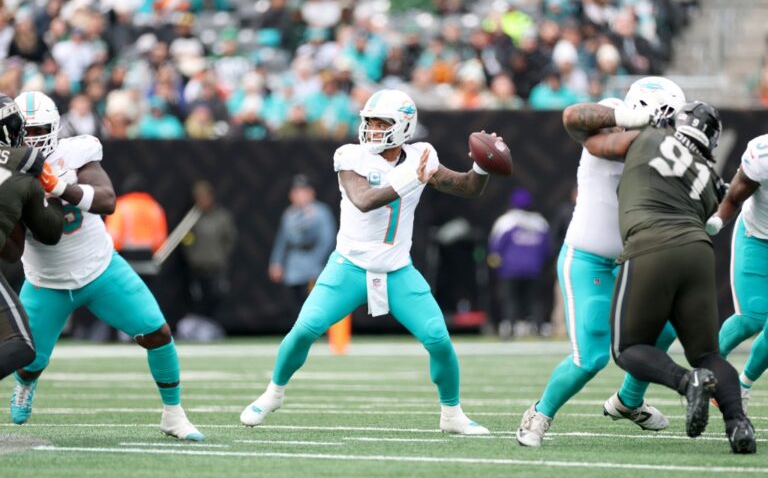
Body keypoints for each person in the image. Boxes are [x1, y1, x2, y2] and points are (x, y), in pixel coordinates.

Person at [240, 89, 501, 435]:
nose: (373, 129)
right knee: (304, 329)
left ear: (404, 126)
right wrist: (411, 178)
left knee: (438, 338)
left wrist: (482, 165)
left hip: (397, 270)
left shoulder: (421, 154)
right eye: (370, 122)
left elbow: (468, 187)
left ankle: (451, 413)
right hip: (349, 266)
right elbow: (363, 200)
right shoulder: (350, 155)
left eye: (382, 123)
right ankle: (273, 393)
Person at [8, 91, 204, 442]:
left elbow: (107, 200)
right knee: (29, 359)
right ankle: (25, 384)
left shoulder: (75, 152)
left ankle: (173, 414)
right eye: (27, 131)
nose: (33, 139)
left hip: (100, 268)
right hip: (44, 281)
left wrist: (60, 186)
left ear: (54, 128)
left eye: (39, 130)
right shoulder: (8, 170)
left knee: (158, 333)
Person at [517, 77, 685, 447]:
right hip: (588, 258)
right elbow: (573, 117)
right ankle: (540, 413)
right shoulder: (611, 119)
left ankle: (629, 401)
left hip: (631, 259)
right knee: (590, 358)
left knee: (665, 328)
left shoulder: (672, 145)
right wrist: (638, 123)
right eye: (663, 117)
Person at [579, 100, 755, 453]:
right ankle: (739, 424)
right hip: (698, 252)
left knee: (627, 348)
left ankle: (687, 382)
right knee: (708, 354)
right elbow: (710, 212)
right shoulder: (710, 177)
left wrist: (628, 119)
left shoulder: (647, 136)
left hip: (650, 244)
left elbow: (582, 132)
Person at [0, 94, 64, 380]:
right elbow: (51, 232)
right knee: (21, 346)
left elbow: (12, 252)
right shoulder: (24, 164)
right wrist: (57, 193)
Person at [706, 132, 768, 414]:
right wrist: (716, 222)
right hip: (757, 236)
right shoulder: (762, 155)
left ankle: (742, 385)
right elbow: (733, 196)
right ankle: (705, 369)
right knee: (751, 317)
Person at [487, 187, 551, 338]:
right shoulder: (540, 222)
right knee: (535, 300)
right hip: (534, 269)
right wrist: (541, 265)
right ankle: (539, 328)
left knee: (510, 299)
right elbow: (547, 250)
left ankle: (510, 329)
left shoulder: (505, 221)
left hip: (509, 270)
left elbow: (495, 248)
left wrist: (496, 269)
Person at [269, 174, 336, 310]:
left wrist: (317, 261)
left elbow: (327, 240)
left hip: (314, 266)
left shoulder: (321, 212)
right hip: (293, 266)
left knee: (314, 304)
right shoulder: (289, 214)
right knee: (295, 305)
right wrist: (276, 262)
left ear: (311, 193)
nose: (300, 195)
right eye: (296, 191)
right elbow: (282, 241)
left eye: (304, 191)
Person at [180, 180, 237, 332]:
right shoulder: (192, 218)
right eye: (199, 197)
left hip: (216, 266)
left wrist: (221, 256)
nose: (202, 201)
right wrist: (192, 255)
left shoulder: (222, 217)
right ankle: (199, 331)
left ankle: (212, 328)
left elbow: (229, 240)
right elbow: (186, 239)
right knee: (198, 299)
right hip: (197, 267)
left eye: (205, 197)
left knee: (216, 297)